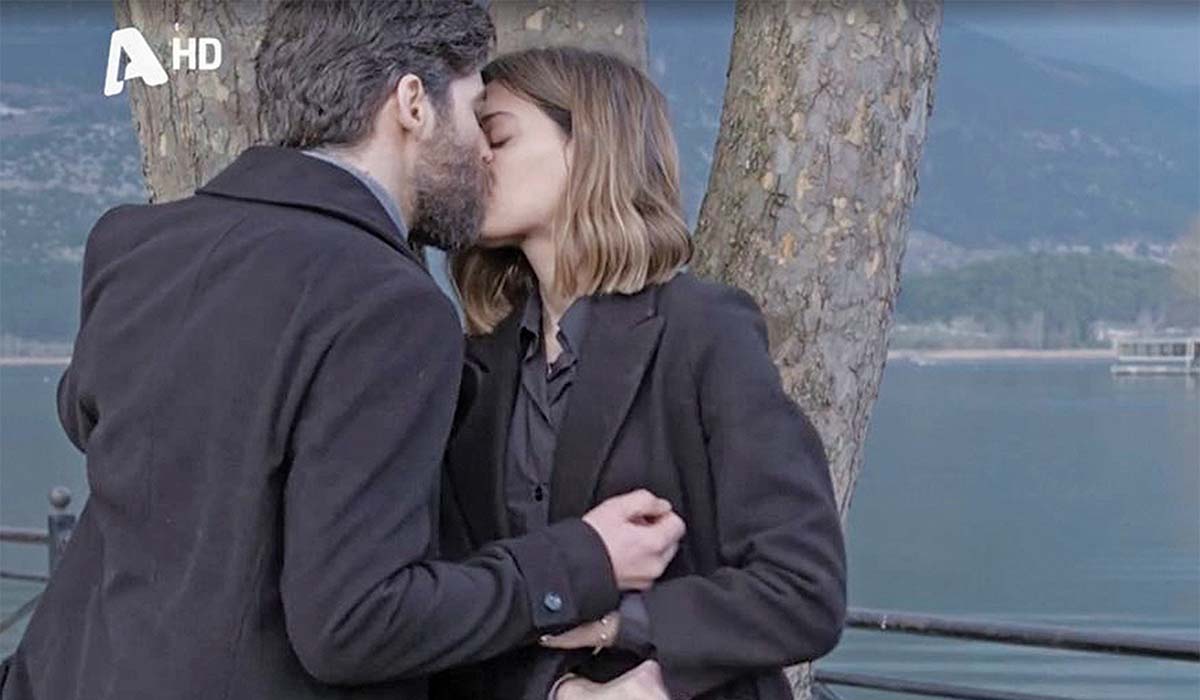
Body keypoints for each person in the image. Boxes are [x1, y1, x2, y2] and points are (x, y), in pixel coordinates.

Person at [0, 4, 684, 700]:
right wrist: (581, 562)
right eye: (476, 114)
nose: (484, 150)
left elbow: (90, 419)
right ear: (412, 105)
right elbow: (356, 623)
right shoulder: (389, 305)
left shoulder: (135, 244)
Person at [435, 47, 848, 700]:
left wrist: (624, 631)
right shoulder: (474, 369)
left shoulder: (705, 331)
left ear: (589, 148)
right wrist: (560, 694)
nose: (473, 157)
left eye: (498, 136)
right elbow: (457, 604)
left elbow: (804, 590)